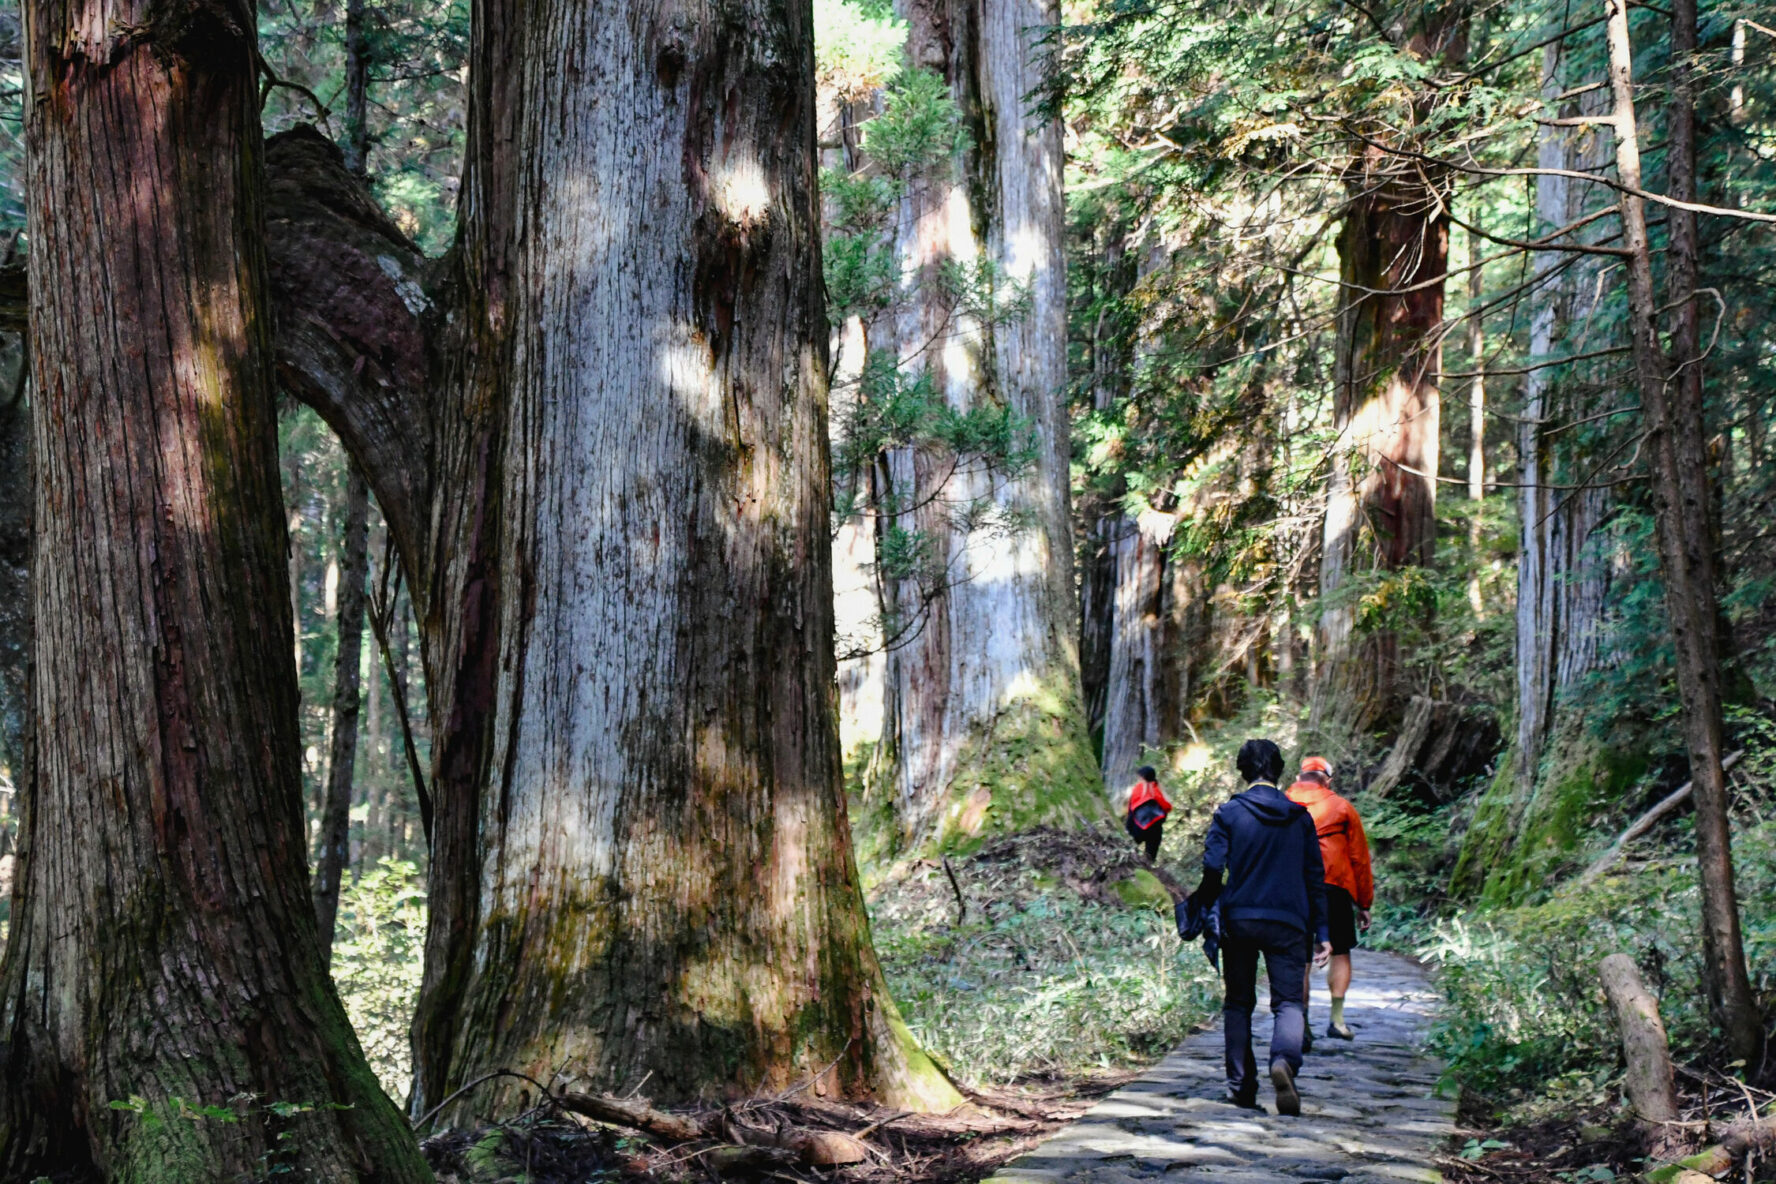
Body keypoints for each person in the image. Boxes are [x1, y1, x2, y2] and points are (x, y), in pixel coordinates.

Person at [1188, 739, 1330, 1116]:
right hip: (1290, 921)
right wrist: (1324, 934)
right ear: (1279, 770)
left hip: (1239, 918)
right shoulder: (1300, 818)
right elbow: (1315, 878)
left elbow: (1213, 869)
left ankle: (1242, 1088)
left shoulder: (1229, 814)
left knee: (1238, 1003)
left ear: (1243, 770)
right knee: (1288, 1002)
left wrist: (1201, 906)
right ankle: (1283, 1061)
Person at [1287, 756, 1373, 1041]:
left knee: (1300, 955)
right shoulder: (1341, 807)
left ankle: (1301, 1022)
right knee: (1340, 950)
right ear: (1327, 780)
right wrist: (1364, 903)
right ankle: (1337, 1020)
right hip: (1333, 885)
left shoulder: (1282, 803)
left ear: (1301, 777)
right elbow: (1359, 858)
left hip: (1294, 885)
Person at [1125, 764, 1172, 861]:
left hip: (1137, 828)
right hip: (1155, 830)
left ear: (1142, 777)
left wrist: (1127, 830)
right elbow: (1166, 809)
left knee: (1127, 852)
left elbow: (1131, 812)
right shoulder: (1158, 791)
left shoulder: (1138, 790)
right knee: (1149, 858)